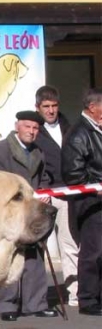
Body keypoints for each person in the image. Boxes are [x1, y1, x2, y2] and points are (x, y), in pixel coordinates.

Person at [0, 110, 58, 321]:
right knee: (9, 255)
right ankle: (7, 304)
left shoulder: (39, 152)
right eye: (27, 126)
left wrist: (44, 194)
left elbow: (44, 178)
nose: (32, 132)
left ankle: (35, 303)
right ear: (17, 126)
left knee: (35, 255)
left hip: (33, 212)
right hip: (10, 212)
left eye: (35, 129)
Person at [34, 86, 79, 306]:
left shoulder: (68, 126)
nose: (51, 110)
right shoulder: (34, 131)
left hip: (68, 192)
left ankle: (75, 291)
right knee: (37, 246)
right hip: (44, 194)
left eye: (54, 106)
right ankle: (37, 297)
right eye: (46, 106)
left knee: (70, 243)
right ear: (38, 108)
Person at [61, 88, 102, 316]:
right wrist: (96, 188)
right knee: (92, 252)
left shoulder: (97, 130)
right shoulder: (79, 134)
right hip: (90, 202)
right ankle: (87, 299)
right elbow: (73, 174)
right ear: (92, 107)